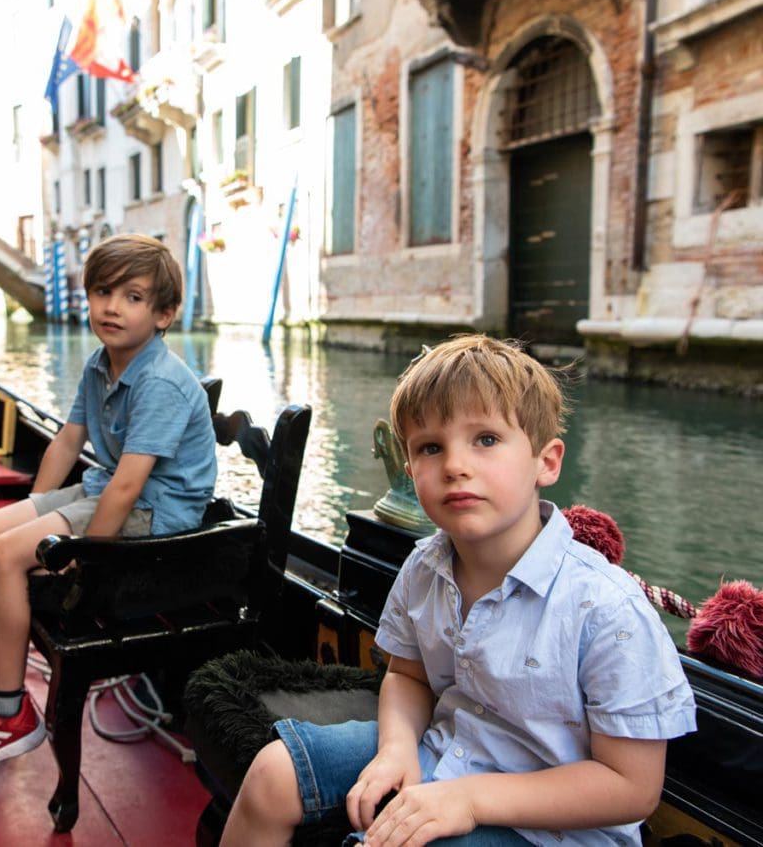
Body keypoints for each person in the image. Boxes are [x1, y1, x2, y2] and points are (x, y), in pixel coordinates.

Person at [222, 334, 696, 847]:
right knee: (273, 773)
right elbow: (408, 677)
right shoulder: (425, 566)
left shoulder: (606, 608)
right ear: (411, 469)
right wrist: (397, 749)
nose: (454, 466)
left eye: (486, 439)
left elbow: (631, 787)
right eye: (431, 447)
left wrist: (468, 799)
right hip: (443, 747)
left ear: (547, 461)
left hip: (551, 828)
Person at [0, 234, 218, 777]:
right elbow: (67, 441)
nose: (112, 306)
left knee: (6, 555)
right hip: (108, 489)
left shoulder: (160, 382)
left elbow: (130, 488)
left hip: (156, 515)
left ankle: (8, 710)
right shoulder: (98, 363)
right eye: (103, 291)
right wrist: (34, 507)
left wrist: (85, 558)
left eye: (132, 297)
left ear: (164, 314)